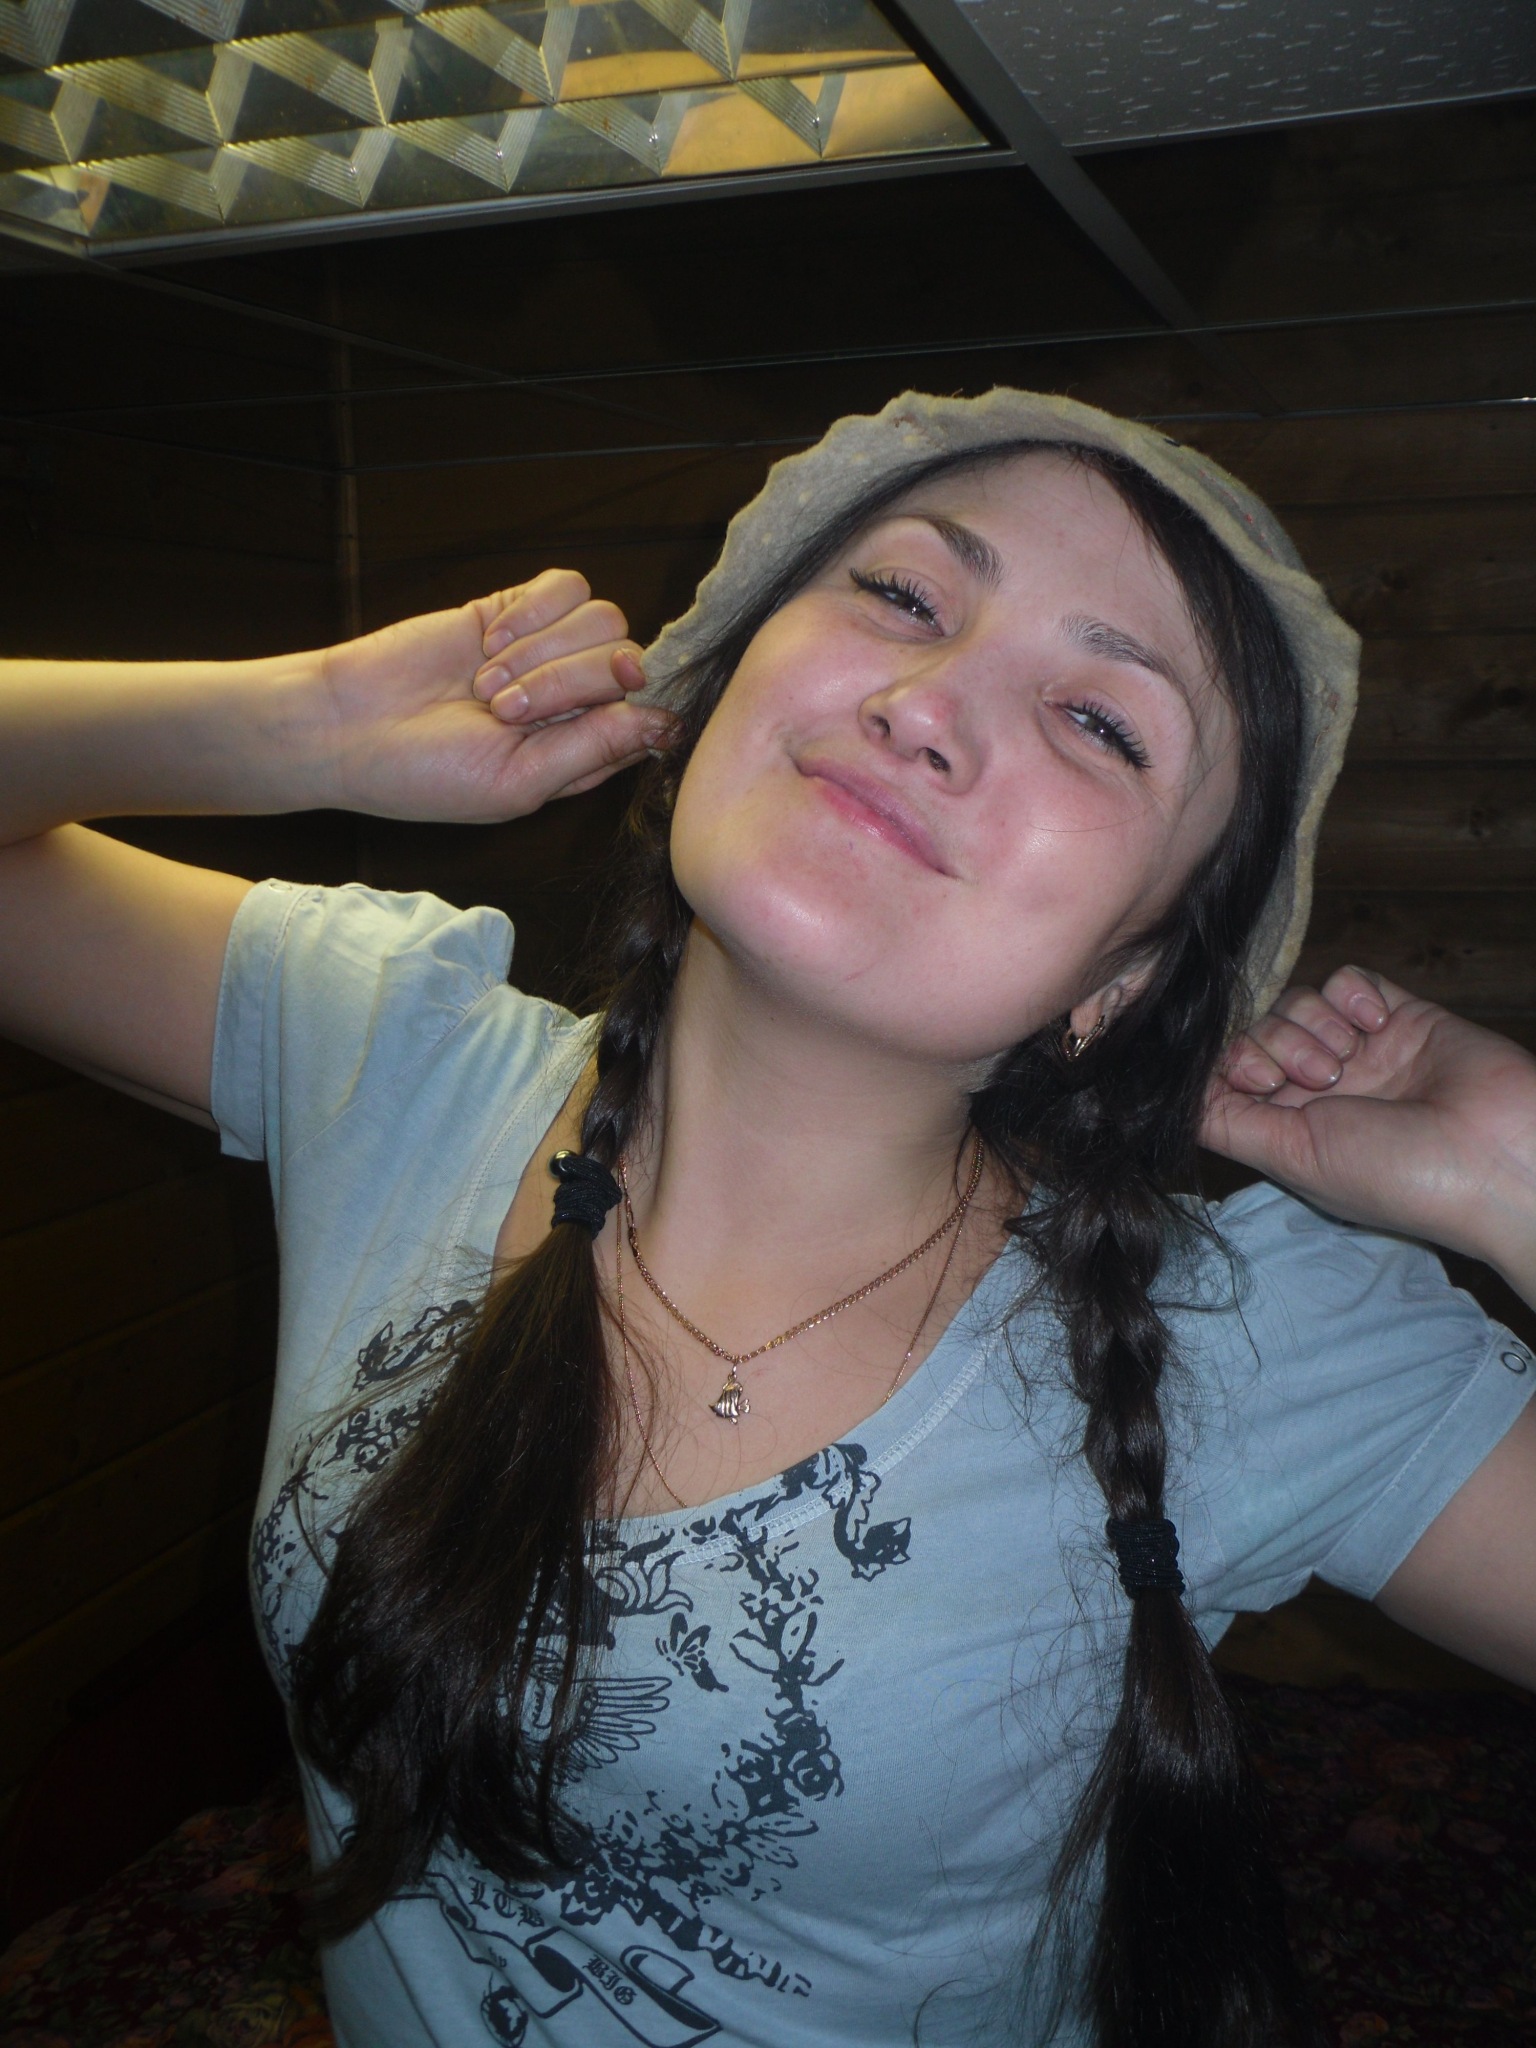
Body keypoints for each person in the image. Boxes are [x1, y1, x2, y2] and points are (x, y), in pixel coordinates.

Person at [1, 388, 1532, 2048]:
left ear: (1129, 977)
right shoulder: (393, 1052)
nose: (925, 703)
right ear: (722, 685)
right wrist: (294, 724)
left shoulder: (1249, 1338)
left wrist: (1523, 1179)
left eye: (1101, 721)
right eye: (904, 595)